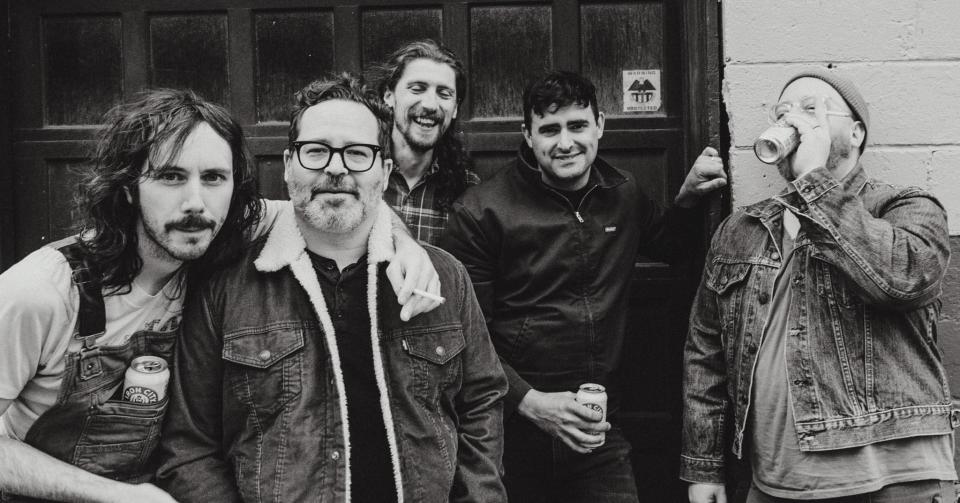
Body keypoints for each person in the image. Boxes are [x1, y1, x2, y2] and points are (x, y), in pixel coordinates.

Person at [0, 89, 440, 502]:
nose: (196, 201)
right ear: (128, 186)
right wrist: (117, 496)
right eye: (171, 176)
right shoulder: (41, 291)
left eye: (214, 177)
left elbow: (346, 205)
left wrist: (406, 246)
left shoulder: (222, 231)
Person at [156, 74, 509, 503]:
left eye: (357, 153)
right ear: (288, 166)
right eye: (316, 151)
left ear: (384, 170)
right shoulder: (226, 290)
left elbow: (481, 403)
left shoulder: (444, 278)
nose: (336, 167)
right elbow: (189, 446)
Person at [441, 70, 726, 502]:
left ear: (600, 125)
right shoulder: (481, 212)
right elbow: (466, 334)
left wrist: (687, 199)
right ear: (528, 135)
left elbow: (671, 246)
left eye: (577, 125)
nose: (566, 143)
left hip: (597, 429)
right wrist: (531, 401)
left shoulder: (622, 192)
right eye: (549, 130)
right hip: (508, 434)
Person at [681, 69, 956, 503]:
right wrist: (704, 467)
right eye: (783, 112)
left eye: (812, 110)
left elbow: (903, 280)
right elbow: (707, 354)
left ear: (855, 131)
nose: (794, 121)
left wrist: (814, 183)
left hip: (895, 482)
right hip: (776, 485)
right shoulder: (742, 228)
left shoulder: (906, 206)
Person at [371, 39, 478, 246]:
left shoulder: (468, 189)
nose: (430, 105)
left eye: (444, 94)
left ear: (455, 109)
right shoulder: (361, 171)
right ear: (388, 96)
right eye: (417, 89)